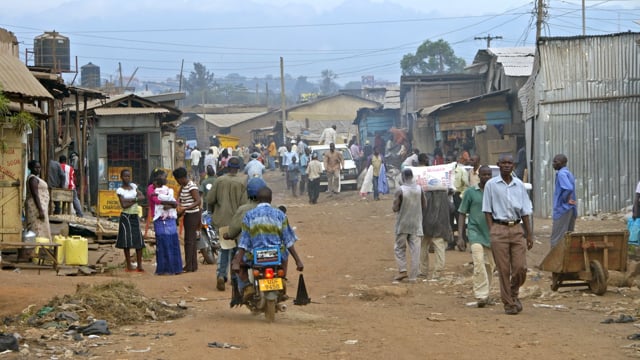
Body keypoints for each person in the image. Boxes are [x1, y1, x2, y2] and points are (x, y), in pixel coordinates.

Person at [231, 186, 304, 300]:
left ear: (257, 199)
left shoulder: (249, 215)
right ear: (271, 199)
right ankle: (282, 280)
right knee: (285, 256)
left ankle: (247, 286)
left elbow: (244, 241)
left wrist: (237, 262)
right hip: (277, 254)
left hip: (254, 255)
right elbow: (288, 240)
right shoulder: (280, 215)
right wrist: (298, 261)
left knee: (238, 263)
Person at [482, 154, 533, 315]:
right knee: (503, 269)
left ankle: (513, 292)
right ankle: (509, 303)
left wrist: (529, 234)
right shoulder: (491, 185)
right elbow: (487, 210)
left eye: (509, 163)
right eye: (503, 163)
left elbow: (525, 211)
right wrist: (492, 231)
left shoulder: (519, 185)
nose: (506, 165)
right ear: (498, 165)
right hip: (499, 228)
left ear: (513, 165)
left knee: (520, 268)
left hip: (517, 228)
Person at [222, 177, 267, 305]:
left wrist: (229, 235)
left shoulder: (243, 210)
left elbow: (234, 230)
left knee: (236, 263)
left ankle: (246, 286)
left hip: (249, 251)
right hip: (271, 251)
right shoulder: (273, 209)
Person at [206, 157, 248, 291]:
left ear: (227, 167)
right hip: (237, 221)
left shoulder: (219, 180)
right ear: (239, 168)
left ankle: (221, 275)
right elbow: (244, 205)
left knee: (224, 249)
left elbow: (210, 199)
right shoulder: (242, 182)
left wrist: (212, 213)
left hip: (222, 221)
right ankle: (234, 277)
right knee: (237, 250)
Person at [458, 166, 494, 307]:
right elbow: (462, 213)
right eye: (484, 174)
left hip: (491, 234)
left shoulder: (494, 192)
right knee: (478, 262)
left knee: (491, 265)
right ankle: (481, 295)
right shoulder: (470, 192)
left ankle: (487, 293)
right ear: (479, 175)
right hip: (475, 232)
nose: (486, 177)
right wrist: (460, 236)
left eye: (489, 175)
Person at [417, 153, 452, 280]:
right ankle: (437, 273)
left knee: (423, 247)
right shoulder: (443, 193)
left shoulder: (423, 193)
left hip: (425, 222)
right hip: (440, 223)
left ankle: (423, 271)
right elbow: (451, 208)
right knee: (439, 248)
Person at [391, 168, 426, 283]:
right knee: (416, 251)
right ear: (412, 176)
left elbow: (395, 208)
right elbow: (424, 205)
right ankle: (413, 277)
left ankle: (402, 270)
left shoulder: (400, 190)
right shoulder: (420, 189)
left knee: (399, 248)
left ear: (403, 177)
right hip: (416, 223)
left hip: (403, 223)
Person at [147, 169, 183, 275]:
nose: (166, 179)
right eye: (164, 177)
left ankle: (176, 268)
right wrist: (172, 203)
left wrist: (172, 203)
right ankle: (164, 269)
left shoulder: (167, 189)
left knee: (172, 241)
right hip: (159, 218)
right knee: (163, 242)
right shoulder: (151, 189)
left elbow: (175, 201)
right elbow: (157, 201)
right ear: (157, 178)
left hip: (170, 218)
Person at [115, 169, 146, 272]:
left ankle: (140, 265)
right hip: (125, 217)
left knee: (139, 241)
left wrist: (131, 200)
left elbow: (142, 197)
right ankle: (128, 265)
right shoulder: (120, 190)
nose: (127, 178)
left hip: (135, 216)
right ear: (121, 177)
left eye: (128, 176)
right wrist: (135, 200)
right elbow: (123, 205)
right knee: (126, 241)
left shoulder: (134, 187)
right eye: (125, 176)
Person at [173, 167, 202, 273]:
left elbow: (198, 201)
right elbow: (179, 198)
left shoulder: (191, 186)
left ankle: (189, 266)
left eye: (177, 179)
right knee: (191, 240)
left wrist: (186, 208)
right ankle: (193, 265)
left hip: (192, 214)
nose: (177, 182)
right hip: (187, 214)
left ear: (181, 178)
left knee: (189, 241)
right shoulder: (183, 186)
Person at [550, 154, 577, 248]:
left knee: (556, 238)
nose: (553, 164)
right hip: (570, 209)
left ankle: (554, 261)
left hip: (562, 209)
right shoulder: (568, 173)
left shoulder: (561, 174)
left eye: (555, 162)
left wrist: (564, 200)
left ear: (562, 163)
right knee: (568, 236)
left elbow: (568, 188)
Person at [25, 160, 52, 245]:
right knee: (37, 228)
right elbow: (35, 195)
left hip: (40, 207)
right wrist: (40, 210)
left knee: (41, 228)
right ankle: (36, 250)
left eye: (39, 167)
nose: (38, 169)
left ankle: (41, 249)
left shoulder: (35, 178)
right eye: (36, 168)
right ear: (31, 168)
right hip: (36, 208)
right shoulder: (33, 179)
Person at [451, 154, 470, 250]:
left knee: (459, 220)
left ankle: (462, 242)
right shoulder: (448, 171)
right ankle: (451, 243)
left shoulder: (462, 171)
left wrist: (461, 196)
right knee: (449, 220)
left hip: (457, 196)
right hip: (449, 197)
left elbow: (466, 185)